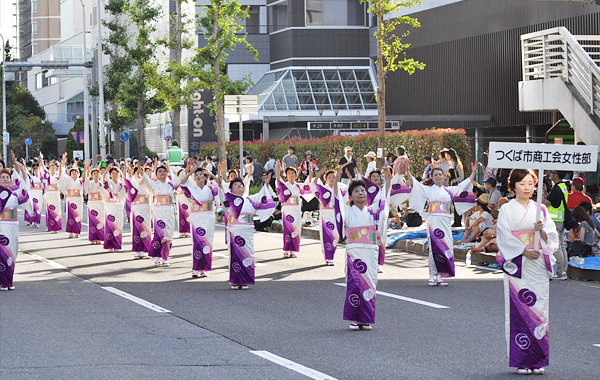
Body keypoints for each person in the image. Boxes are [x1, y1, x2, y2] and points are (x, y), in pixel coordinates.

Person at [496, 169, 558, 375]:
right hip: (519, 262)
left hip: (537, 263)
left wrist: (540, 231)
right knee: (519, 310)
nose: (527, 187)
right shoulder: (506, 209)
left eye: (530, 183)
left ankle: (538, 358)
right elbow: (504, 235)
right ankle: (522, 359)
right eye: (522, 183)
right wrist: (523, 251)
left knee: (539, 310)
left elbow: (552, 237)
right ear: (513, 186)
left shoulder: (540, 209)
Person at [333, 161, 390, 331]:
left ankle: (366, 319)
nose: (361, 193)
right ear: (350, 197)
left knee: (370, 284)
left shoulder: (373, 210)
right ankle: (354, 318)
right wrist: (336, 179)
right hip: (354, 252)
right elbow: (337, 198)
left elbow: (384, 199)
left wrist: (388, 180)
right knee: (355, 283)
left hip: (370, 251)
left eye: (363, 191)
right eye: (357, 191)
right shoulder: (347, 210)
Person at [407, 161, 478, 286]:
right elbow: (415, 184)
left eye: (440, 174)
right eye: (436, 175)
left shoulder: (449, 190)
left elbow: (463, 186)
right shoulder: (428, 190)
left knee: (446, 247)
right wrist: (408, 172)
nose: (439, 176)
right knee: (434, 247)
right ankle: (431, 274)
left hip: (445, 221)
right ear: (432, 177)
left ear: (444, 176)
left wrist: (473, 173)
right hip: (433, 221)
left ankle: (440, 274)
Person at [217, 161, 276, 289]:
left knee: (248, 253)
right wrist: (220, 179)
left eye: (241, 184)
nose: (239, 186)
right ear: (231, 189)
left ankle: (245, 279)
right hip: (234, 230)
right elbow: (222, 192)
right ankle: (235, 279)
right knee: (235, 254)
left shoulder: (250, 200)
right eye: (236, 185)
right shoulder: (229, 199)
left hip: (247, 229)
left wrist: (266, 183)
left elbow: (262, 196)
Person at [137, 161, 181, 266]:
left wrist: (187, 168)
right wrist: (140, 170)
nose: (162, 173)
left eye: (164, 171)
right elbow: (145, 180)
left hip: (169, 210)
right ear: (156, 174)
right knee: (159, 234)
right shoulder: (154, 184)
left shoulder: (171, 184)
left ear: (167, 173)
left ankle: (165, 257)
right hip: (158, 211)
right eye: (159, 171)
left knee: (168, 235)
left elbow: (180, 180)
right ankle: (156, 256)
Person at [180, 162, 219, 278]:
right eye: (196, 175)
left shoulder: (211, 187)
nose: (199, 176)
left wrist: (211, 174)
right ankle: (196, 269)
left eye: (201, 174)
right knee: (197, 241)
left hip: (208, 216)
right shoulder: (192, 189)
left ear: (205, 176)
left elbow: (220, 185)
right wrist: (190, 173)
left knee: (208, 241)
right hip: (196, 216)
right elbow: (181, 184)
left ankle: (204, 268)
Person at [0, 165, 33, 291]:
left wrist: (22, 170)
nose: (5, 179)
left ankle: (9, 280)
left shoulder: (14, 194)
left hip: (13, 226)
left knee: (12, 252)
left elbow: (24, 188)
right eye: (2, 177)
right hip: (2, 226)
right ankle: (3, 282)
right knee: (3, 253)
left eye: (7, 177)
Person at [312, 167, 344, 266]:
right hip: (326, 215)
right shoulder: (323, 188)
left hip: (335, 214)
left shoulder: (339, 188)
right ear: (325, 179)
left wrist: (339, 174)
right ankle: (328, 257)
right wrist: (318, 174)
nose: (331, 178)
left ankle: (331, 254)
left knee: (335, 236)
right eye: (329, 177)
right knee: (327, 235)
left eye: (333, 177)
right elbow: (314, 184)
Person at [542, 170, 569, 280]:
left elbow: (545, 203)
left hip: (555, 220)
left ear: (556, 174)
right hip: (560, 218)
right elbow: (553, 200)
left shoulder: (556, 189)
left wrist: (542, 192)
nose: (550, 174)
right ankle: (563, 271)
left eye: (552, 172)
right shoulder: (563, 186)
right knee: (561, 246)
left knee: (557, 246)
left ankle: (560, 272)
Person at [124, 162, 153, 259]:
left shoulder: (146, 182)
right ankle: (138, 250)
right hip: (136, 207)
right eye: (137, 172)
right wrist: (126, 168)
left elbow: (149, 186)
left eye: (140, 172)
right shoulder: (132, 182)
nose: (139, 174)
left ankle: (146, 249)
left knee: (146, 227)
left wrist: (142, 171)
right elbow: (125, 180)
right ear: (134, 173)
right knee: (136, 228)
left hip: (145, 206)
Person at [276, 161, 302, 258]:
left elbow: (309, 187)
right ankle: (286, 249)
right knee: (287, 229)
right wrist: (278, 169)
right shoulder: (284, 185)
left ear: (296, 175)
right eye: (289, 173)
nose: (291, 175)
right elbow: (278, 181)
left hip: (296, 209)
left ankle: (293, 250)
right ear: (286, 175)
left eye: (293, 173)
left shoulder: (298, 186)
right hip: (287, 209)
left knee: (296, 229)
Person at [58, 153, 84, 238]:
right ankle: (70, 231)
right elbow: (62, 175)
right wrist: (62, 164)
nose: (74, 174)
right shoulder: (68, 179)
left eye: (76, 173)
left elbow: (85, 179)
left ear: (78, 174)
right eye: (72, 173)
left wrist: (86, 168)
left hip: (78, 199)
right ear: (70, 174)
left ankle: (77, 232)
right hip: (70, 199)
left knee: (78, 215)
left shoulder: (80, 181)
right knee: (70, 215)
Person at [103, 165, 126, 251]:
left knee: (118, 225)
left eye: (116, 173)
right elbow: (104, 181)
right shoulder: (109, 183)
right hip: (109, 205)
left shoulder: (121, 184)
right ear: (110, 175)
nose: (115, 175)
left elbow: (123, 195)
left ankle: (117, 244)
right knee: (109, 224)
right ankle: (109, 244)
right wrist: (106, 171)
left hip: (118, 205)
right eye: (113, 173)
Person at [84, 162, 106, 245]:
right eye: (94, 174)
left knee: (100, 220)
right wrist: (87, 169)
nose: (96, 175)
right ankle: (93, 238)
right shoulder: (90, 183)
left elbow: (105, 192)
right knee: (93, 220)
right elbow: (86, 187)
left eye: (97, 173)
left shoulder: (102, 183)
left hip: (100, 202)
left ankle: (99, 237)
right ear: (92, 175)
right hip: (92, 203)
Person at [39, 155, 62, 233]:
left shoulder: (57, 176)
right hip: (48, 195)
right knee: (50, 210)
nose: (52, 169)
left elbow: (62, 171)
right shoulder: (46, 176)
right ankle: (51, 227)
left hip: (56, 195)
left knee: (57, 210)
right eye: (51, 168)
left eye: (54, 168)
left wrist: (60, 164)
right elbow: (42, 167)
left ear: (56, 169)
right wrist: (42, 159)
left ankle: (57, 227)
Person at [24, 163, 43, 228]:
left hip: (39, 194)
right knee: (33, 208)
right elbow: (27, 174)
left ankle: (37, 222)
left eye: (37, 171)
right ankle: (32, 221)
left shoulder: (41, 178)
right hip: (33, 193)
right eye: (35, 171)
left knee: (38, 208)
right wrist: (24, 165)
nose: (36, 172)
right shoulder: (32, 178)